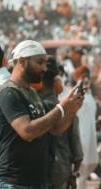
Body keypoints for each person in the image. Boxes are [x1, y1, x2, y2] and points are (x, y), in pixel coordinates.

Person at [0, 40, 83, 188]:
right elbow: (27, 131)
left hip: (38, 181)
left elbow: (55, 129)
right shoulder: (8, 92)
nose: (44, 68)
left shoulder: (31, 93)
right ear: (22, 62)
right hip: (14, 182)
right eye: (40, 62)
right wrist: (61, 108)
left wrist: (72, 108)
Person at [37, 56, 84, 189]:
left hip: (35, 173)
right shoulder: (69, 111)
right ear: (57, 82)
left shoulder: (31, 108)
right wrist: (74, 174)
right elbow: (78, 153)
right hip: (60, 172)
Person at [74, 66, 100, 189]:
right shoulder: (74, 93)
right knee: (79, 170)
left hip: (90, 134)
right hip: (80, 134)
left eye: (87, 76)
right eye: (83, 76)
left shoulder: (90, 94)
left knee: (87, 167)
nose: (86, 78)